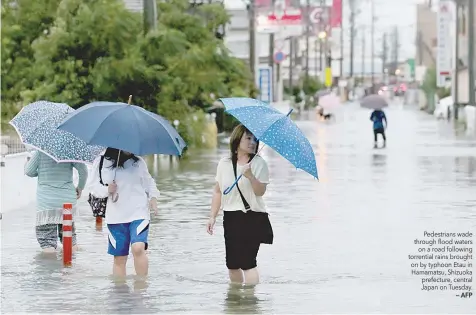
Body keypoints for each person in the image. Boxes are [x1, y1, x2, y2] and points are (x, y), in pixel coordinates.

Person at [207, 124, 270, 285]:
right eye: (248, 138)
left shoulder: (259, 164)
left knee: (248, 263)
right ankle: (235, 303)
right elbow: (218, 191)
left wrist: (250, 176)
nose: (252, 142)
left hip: (252, 216)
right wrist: (212, 216)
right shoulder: (224, 163)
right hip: (230, 216)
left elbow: (260, 192)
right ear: (237, 139)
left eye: (254, 139)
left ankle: (250, 304)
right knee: (233, 265)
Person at [88, 148, 159, 278]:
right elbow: (93, 188)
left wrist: (153, 197)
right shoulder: (102, 161)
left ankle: (141, 289)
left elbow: (149, 182)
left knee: (138, 248)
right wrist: (107, 189)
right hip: (115, 217)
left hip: (139, 212)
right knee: (120, 258)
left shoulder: (138, 162)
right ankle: (120, 294)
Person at [24, 151, 88, 253]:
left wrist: (39, 171)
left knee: (47, 242)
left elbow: (28, 171)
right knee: (70, 241)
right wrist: (80, 188)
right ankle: (70, 267)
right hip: (67, 200)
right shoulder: (71, 150)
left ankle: (51, 267)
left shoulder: (41, 151)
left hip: (47, 203)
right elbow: (83, 171)